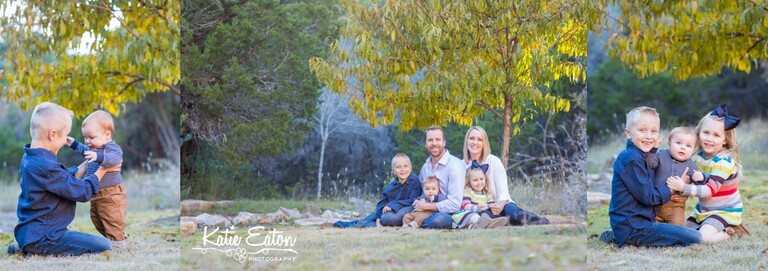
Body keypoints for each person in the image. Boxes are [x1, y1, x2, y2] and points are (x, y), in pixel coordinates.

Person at [7, 102, 118, 256]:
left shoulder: (30, 157)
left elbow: (64, 180)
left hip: (30, 231)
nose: (66, 140)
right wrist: (103, 168)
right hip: (46, 236)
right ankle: (36, 249)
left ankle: (27, 245)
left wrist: (90, 162)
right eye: (65, 135)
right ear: (52, 134)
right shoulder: (46, 166)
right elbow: (82, 191)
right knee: (104, 245)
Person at [604, 106, 701, 247]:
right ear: (629, 133)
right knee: (695, 237)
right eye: (642, 130)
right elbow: (649, 197)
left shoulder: (641, 156)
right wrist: (672, 188)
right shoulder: (632, 159)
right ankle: (624, 238)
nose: (649, 136)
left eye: (653, 131)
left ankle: (617, 234)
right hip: (635, 228)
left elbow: (653, 172)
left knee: (684, 231)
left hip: (640, 223)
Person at [667, 104, 748, 242]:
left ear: (724, 141)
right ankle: (706, 225)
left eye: (716, 135)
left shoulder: (723, 163)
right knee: (683, 233)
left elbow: (710, 190)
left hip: (724, 211)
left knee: (703, 239)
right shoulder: (698, 158)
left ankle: (731, 232)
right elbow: (687, 178)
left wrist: (683, 188)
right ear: (699, 133)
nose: (709, 138)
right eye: (706, 133)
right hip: (704, 211)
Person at [462, 126, 549, 225]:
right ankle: (502, 221)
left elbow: (503, 191)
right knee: (484, 216)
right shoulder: (461, 166)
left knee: (513, 214)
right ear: (467, 141)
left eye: (479, 139)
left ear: (484, 143)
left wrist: (499, 206)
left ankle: (540, 221)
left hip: (503, 203)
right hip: (482, 208)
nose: (475, 142)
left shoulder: (494, 161)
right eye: (471, 138)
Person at [66, 110, 128, 248]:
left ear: (107, 135)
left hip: (111, 193)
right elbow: (85, 150)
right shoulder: (94, 147)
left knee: (112, 218)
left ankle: (118, 243)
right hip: (96, 193)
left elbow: (115, 159)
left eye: (91, 137)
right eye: (85, 138)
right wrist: (74, 144)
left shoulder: (112, 148)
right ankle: (113, 238)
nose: (88, 141)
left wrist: (98, 157)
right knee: (97, 219)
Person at [386, 126, 464, 229]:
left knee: (439, 221)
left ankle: (417, 223)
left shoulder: (455, 166)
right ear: (426, 144)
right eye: (430, 140)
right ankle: (415, 222)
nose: (434, 143)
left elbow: (455, 204)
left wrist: (426, 206)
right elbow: (421, 194)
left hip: (447, 213)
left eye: (438, 139)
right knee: (389, 218)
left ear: (444, 142)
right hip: (423, 210)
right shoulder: (425, 167)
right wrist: (420, 203)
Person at [335, 153, 421, 228]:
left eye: (405, 166)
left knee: (386, 219)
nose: (402, 169)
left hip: (405, 210)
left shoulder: (414, 181)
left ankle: (364, 224)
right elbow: (381, 204)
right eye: (398, 167)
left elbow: (412, 200)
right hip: (389, 211)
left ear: (411, 168)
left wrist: (393, 205)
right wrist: (378, 219)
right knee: (367, 219)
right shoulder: (391, 186)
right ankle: (340, 225)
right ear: (393, 170)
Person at [645, 127, 704, 225]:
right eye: (678, 143)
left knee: (677, 226)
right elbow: (650, 164)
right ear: (669, 144)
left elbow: (699, 181)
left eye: (688, 146)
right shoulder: (661, 155)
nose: (683, 147)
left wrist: (701, 177)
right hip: (656, 203)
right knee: (651, 226)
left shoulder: (690, 165)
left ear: (693, 149)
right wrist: (653, 150)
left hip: (676, 205)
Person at [451, 164, 509, 229]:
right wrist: (477, 208)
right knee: (476, 217)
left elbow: (491, 204)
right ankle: (489, 223)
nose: (479, 182)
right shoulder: (467, 191)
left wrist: (493, 206)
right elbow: (465, 206)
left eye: (481, 179)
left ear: (485, 179)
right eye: (475, 180)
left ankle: (474, 226)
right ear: (469, 181)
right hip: (468, 214)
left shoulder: (488, 193)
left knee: (488, 214)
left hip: (482, 214)